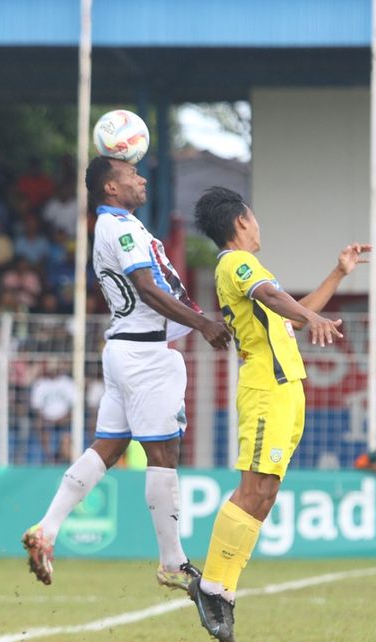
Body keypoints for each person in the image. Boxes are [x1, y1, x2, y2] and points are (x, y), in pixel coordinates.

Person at [21, 156, 232, 592]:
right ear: (111, 189)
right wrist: (203, 324)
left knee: (110, 446)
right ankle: (173, 562)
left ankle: (48, 528)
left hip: (126, 350)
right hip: (144, 356)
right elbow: (149, 289)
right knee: (164, 453)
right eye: (131, 175)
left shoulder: (115, 225)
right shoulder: (118, 226)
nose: (141, 178)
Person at [188, 186, 367, 642]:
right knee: (252, 490)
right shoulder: (235, 263)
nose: (258, 225)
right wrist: (308, 314)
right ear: (242, 221)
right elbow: (272, 295)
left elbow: (288, 316)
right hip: (266, 389)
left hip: (286, 390)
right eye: (255, 217)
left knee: (265, 494)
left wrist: (338, 273)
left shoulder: (251, 272)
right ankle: (211, 587)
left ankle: (222, 590)